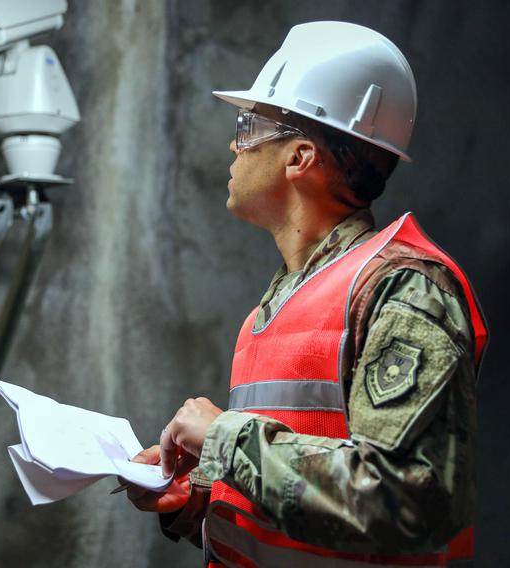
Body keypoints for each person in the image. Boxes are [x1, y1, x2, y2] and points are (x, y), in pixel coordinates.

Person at [125, 21, 488, 567]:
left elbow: (404, 502)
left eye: (248, 126)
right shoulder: (273, 310)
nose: (233, 142)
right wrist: (198, 499)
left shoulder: (404, 288)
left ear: (299, 158)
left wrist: (226, 439)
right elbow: (295, 508)